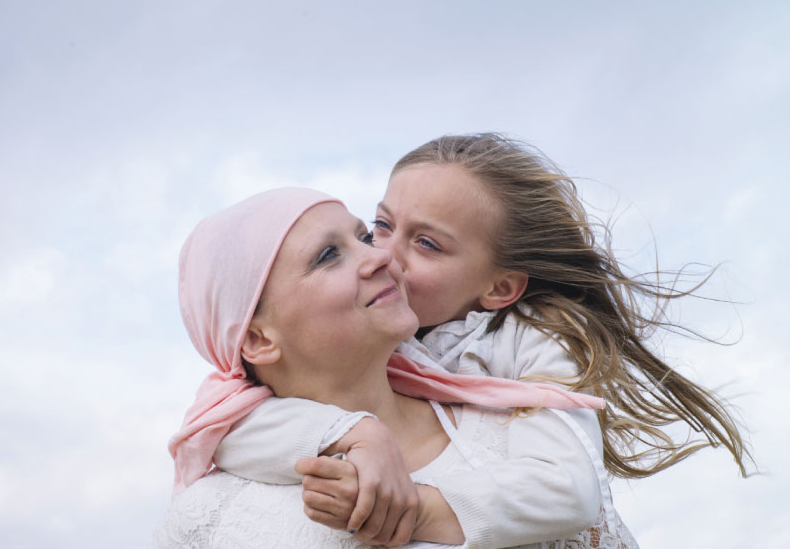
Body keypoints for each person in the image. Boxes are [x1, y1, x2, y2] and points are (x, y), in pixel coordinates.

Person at [214, 134, 751, 547]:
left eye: (426, 244)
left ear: (499, 288)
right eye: (380, 225)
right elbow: (226, 424)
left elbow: (565, 489)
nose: (384, 256)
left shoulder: (534, 337)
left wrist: (419, 510)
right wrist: (355, 434)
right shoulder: (370, 335)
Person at [150, 187, 624, 549]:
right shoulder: (209, 517)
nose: (381, 255)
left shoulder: (520, 433)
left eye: (362, 235)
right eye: (328, 255)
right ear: (256, 338)